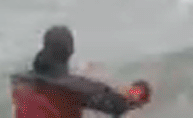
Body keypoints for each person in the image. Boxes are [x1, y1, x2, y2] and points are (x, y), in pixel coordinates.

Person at [11, 25, 151, 118]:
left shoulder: (19, 80)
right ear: (70, 52)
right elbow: (118, 104)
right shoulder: (75, 88)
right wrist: (137, 91)